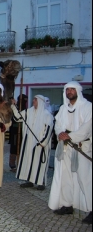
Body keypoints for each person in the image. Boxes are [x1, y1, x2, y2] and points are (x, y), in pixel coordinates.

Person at [48, 81, 92, 224]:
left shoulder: (88, 107)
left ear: (78, 91)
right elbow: (58, 124)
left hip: (81, 147)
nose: (70, 92)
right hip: (65, 148)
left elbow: (87, 128)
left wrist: (71, 136)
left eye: (72, 89)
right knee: (65, 177)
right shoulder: (62, 108)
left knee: (85, 179)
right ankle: (67, 205)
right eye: (67, 90)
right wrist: (60, 133)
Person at [11, 95, 54, 190]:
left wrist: (43, 143)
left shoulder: (47, 115)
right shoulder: (28, 112)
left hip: (41, 143)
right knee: (29, 160)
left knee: (40, 163)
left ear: (40, 101)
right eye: (33, 99)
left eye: (35, 99)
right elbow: (17, 117)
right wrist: (14, 106)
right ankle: (29, 180)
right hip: (29, 142)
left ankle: (40, 182)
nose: (33, 101)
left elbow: (49, 129)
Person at [8, 94, 28, 171]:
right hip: (15, 131)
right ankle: (12, 164)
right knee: (14, 146)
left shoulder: (24, 109)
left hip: (22, 131)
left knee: (21, 147)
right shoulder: (14, 107)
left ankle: (20, 163)